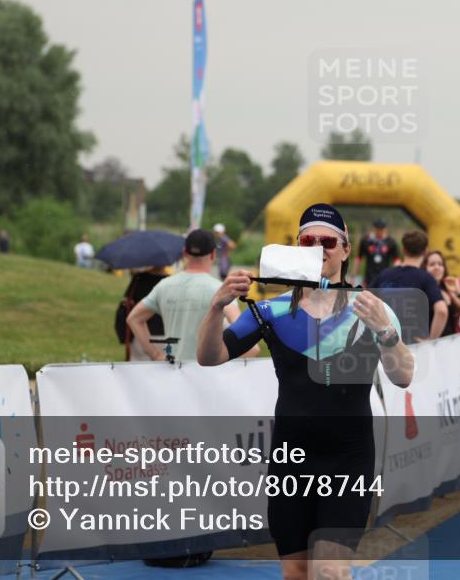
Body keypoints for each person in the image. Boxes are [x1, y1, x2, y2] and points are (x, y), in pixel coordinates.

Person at [197, 203, 413, 580]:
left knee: (330, 571)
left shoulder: (372, 309)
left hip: (349, 459)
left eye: (328, 241)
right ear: (298, 248)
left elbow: (404, 376)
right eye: (309, 240)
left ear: (346, 249)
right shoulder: (271, 311)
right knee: (295, 573)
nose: (320, 248)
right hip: (291, 460)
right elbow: (210, 358)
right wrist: (216, 308)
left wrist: (387, 333)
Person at [127, 229, 257, 362]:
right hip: (207, 373)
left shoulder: (164, 285)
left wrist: (156, 355)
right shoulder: (219, 291)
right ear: (213, 254)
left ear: (184, 253)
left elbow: (134, 319)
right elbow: (249, 343)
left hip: (173, 371)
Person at [370, 229, 448, 340]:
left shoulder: (384, 275)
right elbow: (442, 311)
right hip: (415, 345)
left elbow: (363, 301)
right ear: (425, 252)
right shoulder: (426, 278)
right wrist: (430, 341)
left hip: (385, 343)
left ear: (403, 250)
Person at [423, 249, 460, 336]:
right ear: (424, 268)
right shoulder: (421, 291)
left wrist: (458, 291)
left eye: (440, 264)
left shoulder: (447, 291)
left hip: (449, 344)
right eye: (432, 264)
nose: (437, 267)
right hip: (430, 345)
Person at [352, 218, 399, 288]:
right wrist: (353, 277)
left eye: (382, 229)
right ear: (374, 228)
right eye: (378, 229)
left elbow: (396, 260)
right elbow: (358, 259)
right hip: (369, 278)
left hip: (384, 278)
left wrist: (396, 276)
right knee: (367, 297)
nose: (380, 231)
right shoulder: (366, 240)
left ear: (385, 229)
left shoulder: (391, 242)